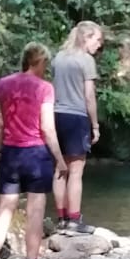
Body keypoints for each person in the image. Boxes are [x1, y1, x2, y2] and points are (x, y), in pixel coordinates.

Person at [0, 42, 67, 259]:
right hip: (36, 155)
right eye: (45, 64)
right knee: (35, 212)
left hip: (10, 153)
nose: (46, 69)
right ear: (37, 62)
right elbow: (47, 129)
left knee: (3, 211)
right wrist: (60, 160)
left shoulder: (2, 85)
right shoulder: (45, 88)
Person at [52, 21, 104, 234]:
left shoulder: (58, 58)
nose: (99, 45)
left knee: (59, 169)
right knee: (75, 171)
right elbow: (89, 96)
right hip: (77, 117)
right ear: (86, 37)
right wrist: (95, 125)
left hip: (56, 116)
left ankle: (61, 218)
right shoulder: (86, 60)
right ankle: (74, 220)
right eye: (97, 39)